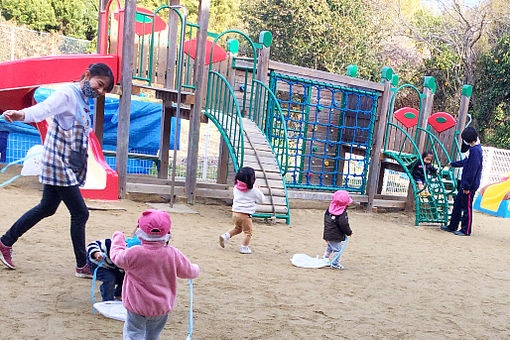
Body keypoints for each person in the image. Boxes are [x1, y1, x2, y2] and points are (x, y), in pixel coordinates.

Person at [0, 63, 114, 277]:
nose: (99, 91)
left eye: (103, 89)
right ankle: (82, 265)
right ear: (87, 75)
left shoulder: (83, 99)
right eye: (99, 84)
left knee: (47, 207)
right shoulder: (67, 94)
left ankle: (5, 242)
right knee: (80, 212)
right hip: (58, 163)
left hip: (65, 163)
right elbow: (44, 109)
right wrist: (20, 115)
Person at [110, 209, 200, 340]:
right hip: (161, 307)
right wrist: (195, 268)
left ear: (139, 230)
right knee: (153, 335)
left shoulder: (134, 253)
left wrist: (118, 238)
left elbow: (116, 257)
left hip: (137, 306)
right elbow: (189, 271)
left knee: (134, 333)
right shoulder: (172, 253)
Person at [441, 127, 483, 236]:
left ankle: (466, 230)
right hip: (465, 183)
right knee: (458, 204)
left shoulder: (475, 150)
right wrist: (454, 163)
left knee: (466, 207)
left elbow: (472, 170)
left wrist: (467, 187)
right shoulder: (473, 149)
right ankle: (453, 226)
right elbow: (466, 162)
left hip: (469, 185)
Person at [218, 166, 265, 254]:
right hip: (245, 215)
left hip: (235, 213)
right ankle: (244, 247)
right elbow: (262, 200)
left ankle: (226, 235)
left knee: (238, 228)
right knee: (248, 233)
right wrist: (258, 190)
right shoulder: (254, 190)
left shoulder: (236, 188)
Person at [323, 190, 353, 269]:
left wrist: (326, 234)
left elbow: (326, 221)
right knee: (337, 250)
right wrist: (349, 232)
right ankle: (335, 264)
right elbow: (344, 225)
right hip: (335, 235)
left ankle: (325, 258)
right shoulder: (341, 214)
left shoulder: (329, 210)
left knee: (330, 246)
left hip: (328, 232)